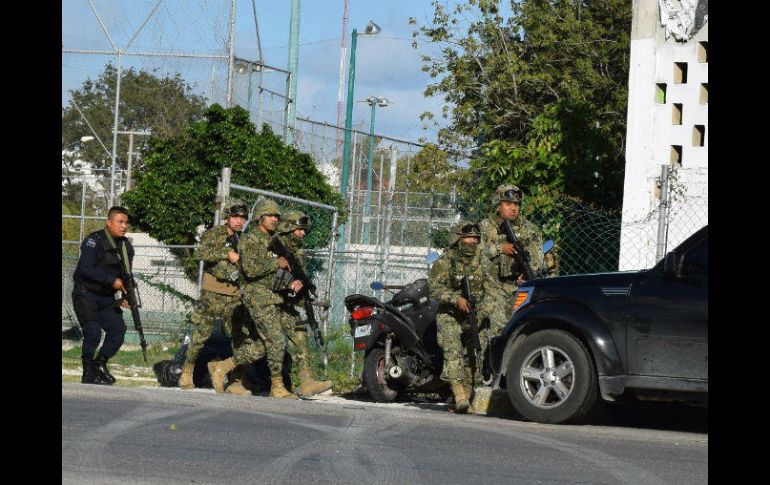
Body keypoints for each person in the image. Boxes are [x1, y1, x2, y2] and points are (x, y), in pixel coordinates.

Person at [428, 221, 507, 414]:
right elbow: (435, 289)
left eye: (474, 238)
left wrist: (479, 315)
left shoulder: (484, 261)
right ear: (458, 239)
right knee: (453, 348)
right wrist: (456, 299)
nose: (471, 241)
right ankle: (459, 395)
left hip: (475, 315)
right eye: (467, 238)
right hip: (450, 314)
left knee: (475, 355)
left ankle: (472, 395)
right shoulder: (445, 261)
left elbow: (493, 292)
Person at [178, 200, 248, 392]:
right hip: (212, 292)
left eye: (242, 217)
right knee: (201, 335)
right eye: (235, 217)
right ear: (227, 217)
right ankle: (187, 373)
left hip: (235, 294)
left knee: (240, 337)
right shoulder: (215, 234)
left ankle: (236, 381)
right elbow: (201, 253)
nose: (239, 221)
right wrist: (227, 253)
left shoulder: (246, 239)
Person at [237, 198, 297, 399]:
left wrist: (291, 282)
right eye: (270, 215)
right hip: (257, 297)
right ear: (260, 217)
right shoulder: (250, 239)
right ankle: (277, 386)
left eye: (276, 216)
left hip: (273, 296)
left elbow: (278, 271)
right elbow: (251, 269)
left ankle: (222, 366)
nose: (274, 219)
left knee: (265, 344)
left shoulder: (274, 240)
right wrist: (276, 263)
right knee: (277, 340)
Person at [71, 206, 135, 385]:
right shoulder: (94, 241)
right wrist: (112, 281)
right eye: (120, 222)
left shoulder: (126, 246)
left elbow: (126, 275)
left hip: (107, 298)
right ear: (109, 222)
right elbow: (86, 269)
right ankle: (87, 371)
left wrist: (126, 295)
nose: (124, 226)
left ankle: (100, 364)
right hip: (86, 294)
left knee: (118, 330)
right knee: (93, 332)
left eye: (126, 222)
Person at [272, 211, 332, 397]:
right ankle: (229, 373)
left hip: (285, 302)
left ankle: (306, 381)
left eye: (304, 230)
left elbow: (297, 276)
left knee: (299, 331)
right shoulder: (271, 245)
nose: (302, 233)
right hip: (265, 302)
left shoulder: (298, 251)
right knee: (257, 346)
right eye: (299, 229)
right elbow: (267, 274)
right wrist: (288, 283)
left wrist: (300, 290)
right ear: (288, 227)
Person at [479, 183, 550, 302]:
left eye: (516, 204)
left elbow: (539, 263)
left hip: (522, 290)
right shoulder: (484, 228)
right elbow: (474, 256)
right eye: (508, 204)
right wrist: (499, 249)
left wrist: (529, 279)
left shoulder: (530, 230)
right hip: (492, 294)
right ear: (498, 206)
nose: (513, 208)